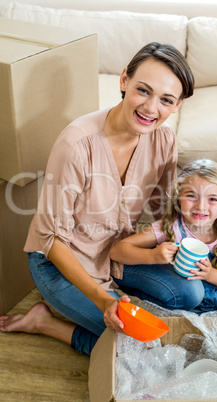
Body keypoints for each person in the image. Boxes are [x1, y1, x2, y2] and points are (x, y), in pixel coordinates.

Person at [0, 42, 196, 355]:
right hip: (60, 262)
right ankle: (44, 323)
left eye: (166, 100)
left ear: (177, 106)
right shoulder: (76, 145)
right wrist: (102, 299)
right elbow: (51, 241)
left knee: (191, 293)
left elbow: (163, 213)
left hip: (117, 250)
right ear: (124, 81)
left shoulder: (164, 139)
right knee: (138, 349)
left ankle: (116, 297)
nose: (150, 108)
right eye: (143, 90)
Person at [110, 158, 217, 315]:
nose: (201, 206)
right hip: (189, 304)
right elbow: (117, 251)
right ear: (178, 198)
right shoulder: (170, 227)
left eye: (212, 199)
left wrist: (210, 274)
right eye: (192, 196)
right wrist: (153, 255)